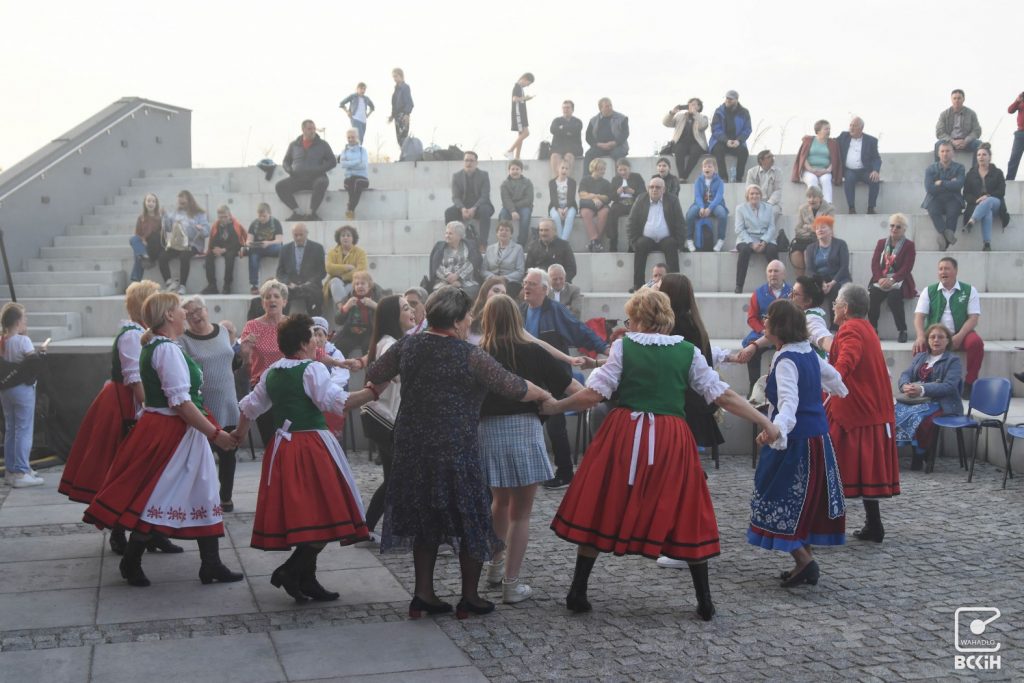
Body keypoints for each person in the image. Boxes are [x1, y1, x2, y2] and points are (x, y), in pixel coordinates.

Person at [544, 288, 780, 620]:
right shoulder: (688, 351)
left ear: (638, 318)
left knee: (605, 501)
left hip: (624, 434)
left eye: (630, 318)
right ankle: (704, 600)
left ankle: (577, 590)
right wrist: (763, 420)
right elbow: (723, 395)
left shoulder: (624, 347)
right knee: (687, 506)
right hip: (671, 438)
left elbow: (593, 395)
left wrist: (557, 406)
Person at [365, 286, 552, 620]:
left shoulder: (409, 344)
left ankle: (423, 594)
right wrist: (543, 394)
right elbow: (514, 386)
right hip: (456, 449)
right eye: (467, 316)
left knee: (425, 519)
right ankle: (469, 597)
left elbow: (375, 374)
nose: (469, 321)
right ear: (456, 320)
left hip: (412, 447)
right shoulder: (469, 354)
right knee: (471, 519)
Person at [83, 292, 242, 588]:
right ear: (169, 315)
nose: (184, 314)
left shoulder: (158, 345)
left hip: (172, 429)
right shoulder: (166, 349)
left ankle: (211, 563)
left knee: (203, 491)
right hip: (173, 432)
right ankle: (133, 560)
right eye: (180, 310)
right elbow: (180, 402)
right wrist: (215, 434)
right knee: (159, 495)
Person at [236, 314, 377, 602]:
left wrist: (236, 437)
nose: (317, 340)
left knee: (313, 515)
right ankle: (292, 571)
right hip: (310, 446)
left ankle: (306, 578)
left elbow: (250, 408)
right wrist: (375, 390)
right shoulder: (312, 369)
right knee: (328, 512)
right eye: (313, 335)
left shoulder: (272, 371)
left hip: (284, 447)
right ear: (303, 343)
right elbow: (341, 403)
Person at [479, 294, 577, 603]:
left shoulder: (479, 352)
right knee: (521, 514)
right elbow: (570, 385)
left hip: (488, 431)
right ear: (517, 318)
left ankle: (493, 567)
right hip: (525, 429)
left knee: (499, 503)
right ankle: (512, 583)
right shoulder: (533, 351)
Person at [748, 298, 848, 588]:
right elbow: (836, 379)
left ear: (779, 326)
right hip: (818, 438)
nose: (764, 321)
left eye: (768, 318)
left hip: (796, 442)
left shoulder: (785, 359)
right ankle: (804, 561)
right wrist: (834, 392)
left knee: (773, 496)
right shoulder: (806, 351)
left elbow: (789, 404)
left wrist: (775, 431)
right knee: (808, 500)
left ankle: (805, 563)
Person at [60, 280, 160, 522]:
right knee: (123, 466)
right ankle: (119, 527)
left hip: (128, 400)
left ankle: (148, 527)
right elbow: (135, 380)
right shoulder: (132, 335)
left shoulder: (140, 333)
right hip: (125, 404)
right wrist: (150, 412)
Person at [520, 268, 608, 490]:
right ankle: (530, 472)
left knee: (555, 426)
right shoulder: (520, 310)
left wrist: (604, 348)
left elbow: (579, 330)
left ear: (544, 289)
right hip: (529, 378)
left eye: (531, 284)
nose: (526, 287)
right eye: (525, 283)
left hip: (555, 376)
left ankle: (565, 472)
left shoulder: (556, 310)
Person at [828, 284, 900, 543]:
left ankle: (828, 528)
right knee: (864, 473)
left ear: (845, 309)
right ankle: (874, 525)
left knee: (829, 466)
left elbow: (846, 362)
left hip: (854, 413)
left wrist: (828, 379)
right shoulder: (866, 328)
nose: (833, 305)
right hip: (870, 411)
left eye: (836, 301)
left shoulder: (850, 329)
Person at [361, 295, 417, 541]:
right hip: (382, 419)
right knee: (400, 477)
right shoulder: (389, 344)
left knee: (394, 478)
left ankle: (366, 529)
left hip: (383, 418)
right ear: (393, 316)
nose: (411, 310)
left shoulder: (393, 341)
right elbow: (387, 374)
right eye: (405, 308)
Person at [181, 295, 240, 514]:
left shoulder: (223, 331)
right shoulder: (183, 340)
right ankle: (202, 498)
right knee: (202, 456)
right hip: (203, 407)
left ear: (207, 310)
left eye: (198, 310)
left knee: (229, 454)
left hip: (228, 400)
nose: (196, 316)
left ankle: (226, 496)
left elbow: (231, 362)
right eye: (189, 314)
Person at [913, 256, 984, 397]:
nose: (943, 272)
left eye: (947, 268)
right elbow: (919, 317)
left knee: (976, 343)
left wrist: (960, 335)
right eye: (940, 269)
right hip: (936, 334)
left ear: (955, 271)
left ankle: (969, 383)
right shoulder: (929, 291)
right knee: (919, 346)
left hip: (960, 333)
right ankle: (920, 381)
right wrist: (920, 336)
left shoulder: (970, 290)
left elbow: (973, 318)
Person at [896, 324, 963, 470]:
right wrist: (905, 385)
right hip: (917, 400)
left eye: (940, 337)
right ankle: (892, 454)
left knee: (919, 416)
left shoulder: (953, 360)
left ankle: (920, 454)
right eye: (932, 337)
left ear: (947, 341)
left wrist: (922, 389)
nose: (936, 340)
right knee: (895, 411)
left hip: (943, 403)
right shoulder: (921, 357)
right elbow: (905, 374)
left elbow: (949, 386)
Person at [1, 303, 47, 488]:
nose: (26, 321)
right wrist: (41, 354)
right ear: (18, 321)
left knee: (11, 428)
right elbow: (32, 364)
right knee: (24, 429)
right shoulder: (23, 341)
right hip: (22, 389)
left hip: (5, 389)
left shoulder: (3, 341)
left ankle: (11, 470)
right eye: (25, 318)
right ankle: (21, 470)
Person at [240, 279, 289, 447]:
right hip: (262, 387)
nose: (272, 300)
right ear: (262, 303)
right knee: (270, 440)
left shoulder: (291, 325)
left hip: (288, 387)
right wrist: (245, 351)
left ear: (284, 301)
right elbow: (245, 360)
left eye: (276, 296)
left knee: (289, 440)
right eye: (267, 297)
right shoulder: (252, 325)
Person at [740, 260, 792, 389]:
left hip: (786, 333)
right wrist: (764, 331)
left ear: (784, 274)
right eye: (770, 271)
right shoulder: (758, 293)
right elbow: (752, 318)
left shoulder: (792, 292)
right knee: (750, 346)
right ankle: (754, 387)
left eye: (776, 271)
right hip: (763, 332)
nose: (772, 274)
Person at [628, 177, 684, 291]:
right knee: (640, 245)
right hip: (646, 238)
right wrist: (633, 241)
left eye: (658, 187)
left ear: (664, 189)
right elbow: (631, 222)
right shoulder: (641, 199)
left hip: (666, 238)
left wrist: (679, 242)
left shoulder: (672, 200)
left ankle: (674, 285)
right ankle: (638, 285)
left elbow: (680, 222)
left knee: (671, 245)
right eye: (651, 187)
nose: (654, 190)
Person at [868, 214, 917, 343]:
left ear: (904, 229)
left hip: (900, 280)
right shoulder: (881, 243)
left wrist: (893, 280)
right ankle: (873, 329)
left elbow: (907, 267)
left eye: (898, 227)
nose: (894, 229)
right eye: (892, 226)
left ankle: (902, 330)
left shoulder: (909, 245)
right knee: (873, 296)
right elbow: (874, 263)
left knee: (894, 298)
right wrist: (879, 279)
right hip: (881, 279)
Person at [275, 120, 337, 221]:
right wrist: (289, 170)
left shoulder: (323, 144)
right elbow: (286, 161)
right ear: (303, 130)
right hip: (298, 179)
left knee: (322, 182)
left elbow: (332, 161)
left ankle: (312, 213)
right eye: (309, 129)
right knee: (280, 186)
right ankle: (297, 212)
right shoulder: (294, 145)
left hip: (316, 178)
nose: (312, 131)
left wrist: (319, 170)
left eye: (313, 129)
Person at [158, 190, 209, 295]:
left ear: (189, 200)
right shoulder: (176, 213)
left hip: (192, 244)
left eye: (183, 199)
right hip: (178, 244)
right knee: (162, 257)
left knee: (184, 256)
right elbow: (168, 228)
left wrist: (199, 228)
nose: (181, 201)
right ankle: (169, 283)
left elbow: (206, 232)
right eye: (179, 199)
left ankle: (182, 286)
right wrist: (164, 216)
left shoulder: (199, 214)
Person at [963, 143, 1011, 251]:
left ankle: (972, 221)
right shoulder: (971, 174)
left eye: (984, 154)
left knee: (988, 201)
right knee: (987, 212)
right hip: (977, 204)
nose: (981, 157)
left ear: (990, 157)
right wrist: (977, 200)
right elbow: (966, 193)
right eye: (979, 155)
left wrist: (987, 196)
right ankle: (987, 244)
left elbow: (1001, 192)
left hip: (995, 203)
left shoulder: (998, 172)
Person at [803, 216, 850, 323]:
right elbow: (809, 270)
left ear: (831, 230)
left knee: (835, 290)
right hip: (819, 279)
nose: (820, 230)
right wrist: (821, 283)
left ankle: (835, 325)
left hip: (838, 278)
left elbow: (844, 267)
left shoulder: (841, 244)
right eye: (817, 228)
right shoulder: (810, 248)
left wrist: (832, 283)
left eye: (823, 227)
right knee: (807, 290)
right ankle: (810, 322)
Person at [734, 185, 780, 293]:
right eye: (752, 193)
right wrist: (751, 243)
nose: (754, 196)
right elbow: (739, 229)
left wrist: (764, 241)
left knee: (772, 250)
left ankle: (777, 284)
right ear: (747, 196)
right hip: (746, 238)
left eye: (757, 193)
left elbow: (772, 227)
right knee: (744, 250)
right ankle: (739, 285)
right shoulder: (740, 208)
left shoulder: (769, 208)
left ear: (761, 195)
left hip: (765, 238)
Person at [444, 151, 495, 247]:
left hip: (480, 206)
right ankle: (454, 241)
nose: (469, 163)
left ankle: (483, 244)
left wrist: (474, 208)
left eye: (471, 160)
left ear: (476, 162)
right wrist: (462, 209)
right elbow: (455, 197)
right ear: (463, 162)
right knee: (449, 212)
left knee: (485, 211)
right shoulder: (456, 176)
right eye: (466, 160)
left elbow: (485, 196)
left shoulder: (484, 175)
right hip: (463, 206)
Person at [923, 141, 967, 251]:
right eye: (942, 151)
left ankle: (944, 242)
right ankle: (946, 235)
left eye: (947, 151)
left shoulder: (960, 168)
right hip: (935, 198)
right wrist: (950, 183)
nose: (945, 154)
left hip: (953, 198)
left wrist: (941, 182)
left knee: (953, 212)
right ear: (938, 153)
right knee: (933, 211)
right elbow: (930, 188)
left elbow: (958, 185)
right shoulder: (930, 169)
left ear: (952, 153)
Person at [276, 223, 326, 317]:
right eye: (296, 235)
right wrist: (288, 283)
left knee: (316, 295)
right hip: (290, 286)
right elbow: (280, 272)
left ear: (307, 233)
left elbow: (322, 271)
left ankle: (316, 326)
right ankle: (280, 324)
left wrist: (309, 282)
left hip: (310, 286)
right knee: (279, 294)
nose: (298, 238)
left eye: (301, 235)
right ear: (292, 234)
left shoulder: (317, 248)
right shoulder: (284, 249)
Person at [837, 117, 881, 214]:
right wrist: (811, 138)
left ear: (861, 128)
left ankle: (871, 208)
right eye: (850, 125)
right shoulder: (844, 136)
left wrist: (875, 170)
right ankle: (851, 208)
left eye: (855, 126)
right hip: (850, 170)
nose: (851, 128)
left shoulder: (871, 140)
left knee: (875, 180)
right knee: (849, 179)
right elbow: (829, 141)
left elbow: (876, 158)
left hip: (865, 170)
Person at [684, 157, 728, 252]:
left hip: (715, 204)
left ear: (714, 169)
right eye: (705, 167)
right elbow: (698, 196)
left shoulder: (719, 181)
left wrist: (710, 208)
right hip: (700, 204)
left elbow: (719, 196)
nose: (707, 168)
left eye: (709, 166)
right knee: (690, 214)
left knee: (722, 214)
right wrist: (701, 207)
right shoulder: (698, 181)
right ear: (702, 169)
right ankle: (689, 239)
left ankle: (721, 239)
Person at [792, 120, 842, 204]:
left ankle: (827, 205)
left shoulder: (832, 143)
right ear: (818, 131)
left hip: (825, 170)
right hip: (809, 170)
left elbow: (834, 160)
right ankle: (814, 204)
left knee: (826, 180)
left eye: (829, 129)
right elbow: (803, 158)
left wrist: (826, 170)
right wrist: (812, 170)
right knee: (812, 180)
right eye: (826, 129)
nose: (828, 131)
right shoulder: (808, 141)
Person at [428, 221, 482, 298]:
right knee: (442, 295)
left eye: (450, 233)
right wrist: (449, 278)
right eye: (446, 233)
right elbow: (436, 266)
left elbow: (472, 265)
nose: (447, 236)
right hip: (443, 281)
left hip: (466, 281)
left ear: (459, 236)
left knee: (468, 293)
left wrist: (458, 276)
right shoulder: (439, 247)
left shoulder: (470, 246)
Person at [789, 186, 834, 275]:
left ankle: (812, 282)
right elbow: (797, 229)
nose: (811, 200)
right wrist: (813, 229)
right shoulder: (802, 209)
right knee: (795, 254)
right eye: (809, 197)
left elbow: (825, 229)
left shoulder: (829, 209)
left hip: (820, 240)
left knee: (807, 252)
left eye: (814, 197)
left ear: (820, 198)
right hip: (803, 240)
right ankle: (801, 283)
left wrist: (807, 227)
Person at [708, 90, 751, 182]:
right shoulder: (719, 111)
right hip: (720, 141)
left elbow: (747, 129)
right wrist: (726, 140)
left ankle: (739, 178)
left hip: (736, 142)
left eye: (730, 99)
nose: (728, 100)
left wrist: (739, 141)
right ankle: (723, 178)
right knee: (718, 150)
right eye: (727, 98)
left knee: (743, 152)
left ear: (736, 100)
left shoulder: (744, 112)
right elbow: (715, 129)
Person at [333, 270, 379, 356]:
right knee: (339, 345)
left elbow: (386, 316)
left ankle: (369, 368)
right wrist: (346, 307)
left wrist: (375, 305)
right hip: (351, 332)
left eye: (363, 283)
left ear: (369, 286)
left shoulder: (376, 297)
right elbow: (338, 320)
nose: (359, 286)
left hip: (369, 332)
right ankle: (343, 368)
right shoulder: (349, 298)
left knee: (369, 346)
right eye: (357, 284)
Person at [202, 205, 246, 295]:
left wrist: (224, 249)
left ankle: (227, 285)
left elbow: (238, 243)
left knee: (230, 257)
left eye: (225, 217)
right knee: (209, 256)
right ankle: (212, 285)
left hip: (232, 248)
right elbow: (212, 240)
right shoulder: (216, 225)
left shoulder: (235, 225)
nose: (223, 219)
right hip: (220, 248)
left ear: (229, 215)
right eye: (220, 217)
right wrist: (215, 249)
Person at [664, 98, 708, 182]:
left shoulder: (702, 117)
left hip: (696, 143)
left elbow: (703, 126)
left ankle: (685, 175)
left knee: (696, 152)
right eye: (690, 104)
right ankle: (681, 177)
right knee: (679, 150)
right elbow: (666, 123)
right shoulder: (680, 116)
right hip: (681, 142)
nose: (692, 106)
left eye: (695, 104)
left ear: (699, 107)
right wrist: (672, 113)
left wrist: (695, 113)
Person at [934, 89, 981, 168]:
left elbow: (977, 131)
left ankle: (975, 172)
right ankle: (938, 171)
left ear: (963, 99)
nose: (957, 100)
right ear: (951, 99)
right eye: (954, 98)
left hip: (966, 142)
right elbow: (939, 132)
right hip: (949, 142)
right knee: (938, 145)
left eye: (959, 98)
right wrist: (952, 141)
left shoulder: (971, 113)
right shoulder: (944, 114)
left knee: (979, 144)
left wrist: (966, 140)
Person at [324, 225, 368, 308]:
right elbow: (329, 268)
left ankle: (341, 309)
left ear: (353, 238)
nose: (345, 238)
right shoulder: (332, 252)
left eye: (348, 235)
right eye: (343, 235)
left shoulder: (360, 252)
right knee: (335, 281)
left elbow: (361, 270)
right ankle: (343, 307)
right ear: (339, 238)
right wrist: (347, 267)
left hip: (353, 282)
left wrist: (342, 276)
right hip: (334, 282)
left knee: (350, 286)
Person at [606, 159, 646, 251]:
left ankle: (632, 243)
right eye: (620, 170)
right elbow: (610, 196)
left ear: (629, 168)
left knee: (637, 215)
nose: (623, 172)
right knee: (612, 212)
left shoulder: (637, 177)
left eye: (625, 169)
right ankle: (613, 241)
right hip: (620, 203)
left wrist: (633, 191)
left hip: (634, 203)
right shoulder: (615, 179)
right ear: (617, 170)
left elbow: (644, 193)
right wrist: (617, 192)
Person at [246, 203, 284, 295]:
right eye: (260, 216)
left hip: (272, 246)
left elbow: (279, 240)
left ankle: (283, 279)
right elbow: (248, 241)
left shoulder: (275, 222)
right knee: (253, 256)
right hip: (258, 248)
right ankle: (254, 285)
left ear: (269, 214)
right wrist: (254, 244)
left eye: (264, 216)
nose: (262, 218)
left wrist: (268, 243)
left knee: (282, 250)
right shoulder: (254, 224)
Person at [482, 221, 525, 299]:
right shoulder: (489, 248)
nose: (503, 232)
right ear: (497, 233)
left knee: (504, 292)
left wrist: (504, 278)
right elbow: (483, 270)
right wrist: (493, 277)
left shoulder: (518, 248)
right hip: (492, 280)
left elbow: (520, 271)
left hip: (510, 282)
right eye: (501, 230)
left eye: (507, 230)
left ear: (511, 234)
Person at [578, 159, 614, 253]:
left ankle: (593, 242)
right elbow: (582, 194)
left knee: (605, 212)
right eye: (600, 169)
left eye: (604, 169)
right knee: (586, 213)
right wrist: (594, 197)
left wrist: (596, 197)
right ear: (594, 168)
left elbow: (608, 197)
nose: (603, 171)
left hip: (601, 206)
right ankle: (596, 241)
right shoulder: (585, 179)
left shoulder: (606, 183)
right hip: (587, 205)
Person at [583, 98, 629, 170]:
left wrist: (614, 143)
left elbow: (625, 133)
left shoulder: (622, 118)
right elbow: (588, 137)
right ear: (600, 108)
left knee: (619, 155)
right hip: (599, 147)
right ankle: (587, 180)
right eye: (607, 106)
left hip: (617, 146)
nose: (610, 108)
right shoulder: (593, 120)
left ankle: (621, 178)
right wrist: (598, 144)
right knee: (589, 154)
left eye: (610, 105)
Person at [525, 218, 577, 282]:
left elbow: (571, 269)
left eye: (546, 230)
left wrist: (560, 281)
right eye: (541, 230)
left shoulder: (564, 246)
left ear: (554, 231)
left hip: (559, 283)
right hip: (539, 284)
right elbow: (528, 269)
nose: (543, 233)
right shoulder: (533, 246)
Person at [744, 150, 784, 233]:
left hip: (773, 204)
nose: (772, 158)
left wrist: (768, 204)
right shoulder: (751, 172)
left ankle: (764, 235)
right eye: (769, 157)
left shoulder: (778, 172)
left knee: (772, 212)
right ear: (761, 160)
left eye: (772, 156)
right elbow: (749, 190)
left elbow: (778, 190)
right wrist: (759, 204)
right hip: (755, 202)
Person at [499, 159, 534, 246]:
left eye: (517, 169)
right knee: (502, 215)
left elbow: (529, 199)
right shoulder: (504, 184)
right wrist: (512, 210)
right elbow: (505, 199)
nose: (515, 171)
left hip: (524, 207)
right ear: (509, 170)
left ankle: (521, 243)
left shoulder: (527, 182)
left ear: (521, 171)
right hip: (508, 208)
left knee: (526, 216)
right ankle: (504, 241)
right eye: (513, 169)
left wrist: (514, 208)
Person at [130, 193, 163, 283]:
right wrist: (143, 240)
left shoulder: (160, 217)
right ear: (145, 203)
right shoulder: (141, 218)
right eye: (148, 201)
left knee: (138, 254)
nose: (151, 203)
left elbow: (161, 235)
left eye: (153, 201)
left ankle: (135, 280)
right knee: (133, 239)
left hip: (154, 247)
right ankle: (144, 256)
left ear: (156, 204)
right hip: (143, 246)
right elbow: (137, 233)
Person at [339, 128, 370, 220]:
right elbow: (343, 164)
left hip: (362, 178)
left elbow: (363, 165)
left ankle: (350, 208)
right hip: (349, 178)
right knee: (349, 182)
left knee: (356, 182)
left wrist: (350, 164)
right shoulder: (344, 151)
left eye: (352, 137)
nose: (350, 139)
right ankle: (351, 208)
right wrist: (357, 161)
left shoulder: (362, 150)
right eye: (348, 137)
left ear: (357, 137)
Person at [467, 277, 508, 345]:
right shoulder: (468, 316)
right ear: (485, 292)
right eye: (496, 291)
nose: (499, 295)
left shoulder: (506, 320)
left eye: (503, 294)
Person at [549, 100, 584, 178]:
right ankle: (557, 180)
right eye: (564, 108)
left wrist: (561, 129)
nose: (565, 110)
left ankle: (565, 179)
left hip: (573, 148)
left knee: (569, 156)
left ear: (572, 109)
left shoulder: (577, 121)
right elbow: (553, 130)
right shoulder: (556, 121)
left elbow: (575, 130)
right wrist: (567, 131)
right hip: (558, 147)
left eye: (568, 108)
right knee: (554, 156)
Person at [505, 72, 534, 160]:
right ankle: (510, 150)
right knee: (526, 133)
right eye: (528, 83)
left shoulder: (520, 88)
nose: (527, 86)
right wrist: (525, 98)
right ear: (525, 79)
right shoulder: (517, 86)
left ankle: (517, 156)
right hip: (519, 114)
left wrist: (526, 99)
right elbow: (515, 99)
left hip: (521, 113)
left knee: (521, 135)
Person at [548, 161, 578, 242]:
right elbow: (553, 198)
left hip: (570, 206)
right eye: (562, 168)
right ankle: (561, 242)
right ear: (558, 169)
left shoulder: (572, 182)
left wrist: (566, 208)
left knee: (570, 217)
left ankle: (562, 242)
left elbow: (572, 198)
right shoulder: (552, 182)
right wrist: (558, 209)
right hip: (555, 206)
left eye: (566, 169)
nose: (564, 170)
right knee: (555, 217)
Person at [388, 68, 414, 147]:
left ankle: (406, 156)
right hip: (397, 116)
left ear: (401, 76)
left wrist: (406, 114)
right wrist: (392, 115)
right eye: (393, 77)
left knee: (403, 137)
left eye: (396, 76)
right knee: (399, 139)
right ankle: (403, 155)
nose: (394, 79)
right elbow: (394, 104)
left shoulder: (405, 87)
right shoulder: (396, 89)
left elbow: (409, 102)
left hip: (403, 115)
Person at [1007, 91, 1024, 181]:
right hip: (1020, 133)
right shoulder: (1021, 98)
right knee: (1014, 158)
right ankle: (1009, 180)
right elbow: (1010, 110)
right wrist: (1017, 101)